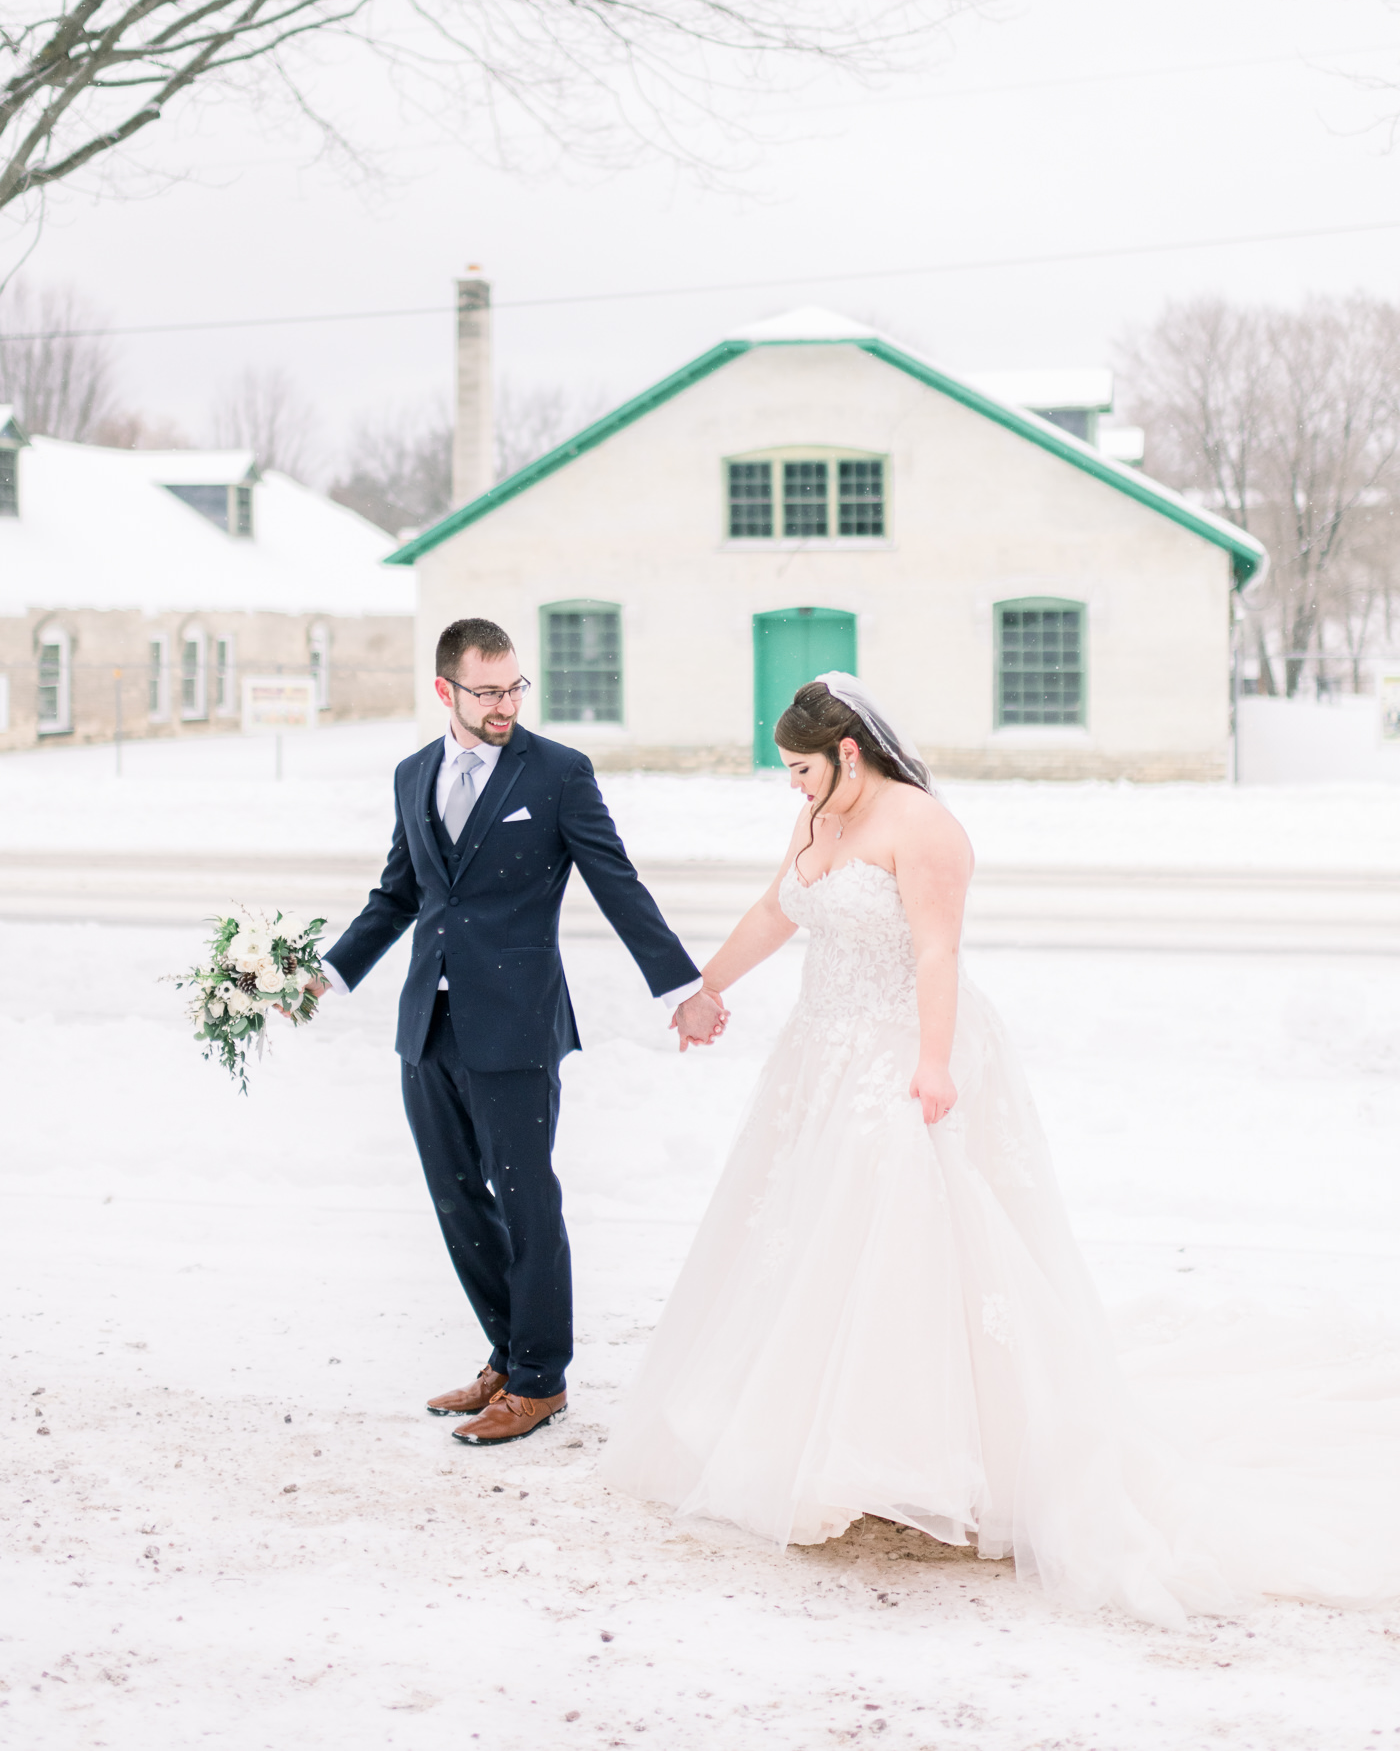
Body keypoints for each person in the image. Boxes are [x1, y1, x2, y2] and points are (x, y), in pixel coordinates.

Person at [603, 672, 1379, 1623]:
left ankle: (932, 1453)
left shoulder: (922, 828)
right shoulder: (819, 822)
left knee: (908, 1245)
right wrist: (705, 987)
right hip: (820, 1056)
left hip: (901, 1052)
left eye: (802, 768)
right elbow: (778, 911)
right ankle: (813, 1440)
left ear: (850, 752)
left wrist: (932, 1064)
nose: (792, 787)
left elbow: (937, 952)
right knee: (806, 1245)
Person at [316, 617, 725, 1447]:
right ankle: (506, 1356)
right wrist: (325, 973)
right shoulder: (412, 774)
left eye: (514, 688)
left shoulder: (558, 773)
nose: (505, 704)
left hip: (516, 1025)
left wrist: (681, 986)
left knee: (526, 1196)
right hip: (426, 1024)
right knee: (455, 1194)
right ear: (446, 691)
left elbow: (617, 882)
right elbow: (400, 893)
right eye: (488, 690)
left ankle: (541, 1380)